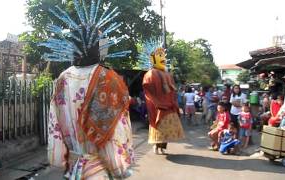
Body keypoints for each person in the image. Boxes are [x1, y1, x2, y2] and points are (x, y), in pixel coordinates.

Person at [43, 1, 134, 179]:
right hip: (100, 169)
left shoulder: (63, 78)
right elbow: (117, 132)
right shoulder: (108, 79)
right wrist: (119, 168)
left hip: (74, 168)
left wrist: (62, 157)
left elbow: (55, 124)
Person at [141, 39, 184, 155]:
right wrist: (157, 103)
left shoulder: (167, 74)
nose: (163, 58)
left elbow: (172, 92)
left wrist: (174, 103)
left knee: (167, 130)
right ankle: (156, 146)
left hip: (169, 106)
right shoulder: (150, 74)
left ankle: (162, 147)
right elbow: (149, 92)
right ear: (153, 59)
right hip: (159, 107)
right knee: (159, 128)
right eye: (160, 55)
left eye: (163, 55)